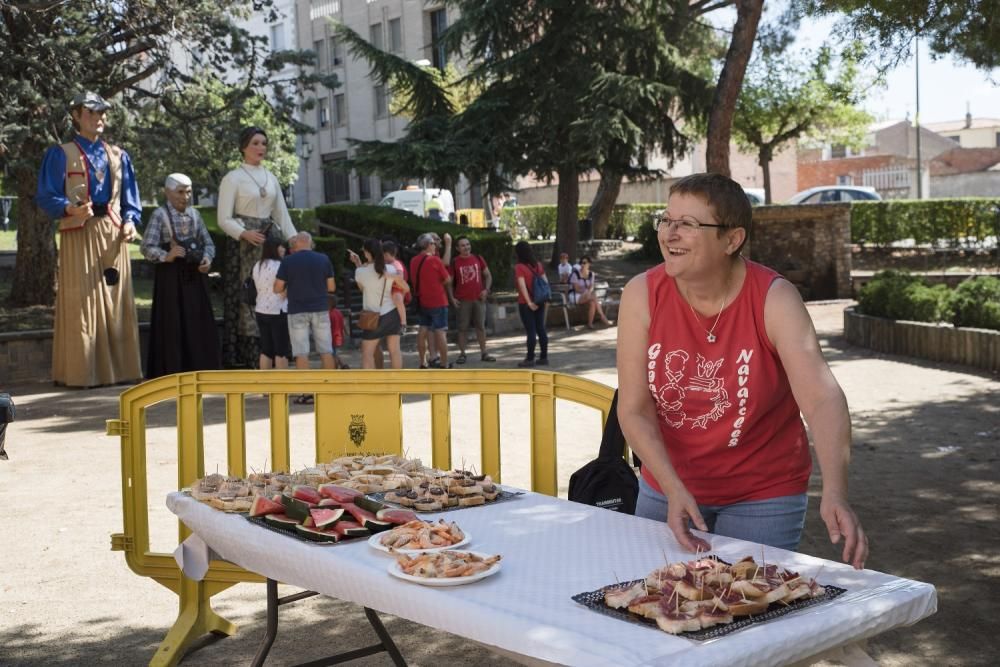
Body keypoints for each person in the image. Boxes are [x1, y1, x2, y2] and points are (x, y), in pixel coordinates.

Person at [616, 173, 867, 569]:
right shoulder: (641, 294)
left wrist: (835, 490)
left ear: (732, 240)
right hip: (666, 486)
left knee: (744, 610)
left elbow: (821, 398)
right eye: (666, 220)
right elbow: (633, 409)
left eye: (688, 224)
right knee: (654, 600)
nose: (669, 233)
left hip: (763, 494)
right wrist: (672, 487)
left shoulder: (774, 298)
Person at [35, 91, 142, 388]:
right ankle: (82, 373)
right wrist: (68, 208)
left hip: (113, 231)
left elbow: (131, 196)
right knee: (81, 302)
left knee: (115, 300)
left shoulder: (119, 156)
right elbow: (46, 194)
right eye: (92, 113)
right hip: (78, 231)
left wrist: (131, 221)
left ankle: (121, 371)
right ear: (76, 116)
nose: (99, 118)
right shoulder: (60, 153)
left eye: (102, 113)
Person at [217, 126, 297, 369]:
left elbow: (281, 214)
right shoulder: (233, 178)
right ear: (243, 147)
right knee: (250, 292)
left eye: (264, 143)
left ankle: (279, 350)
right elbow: (223, 218)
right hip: (244, 244)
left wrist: (295, 240)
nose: (261, 148)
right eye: (255, 143)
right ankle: (252, 353)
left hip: (269, 242)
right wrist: (243, 233)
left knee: (277, 289)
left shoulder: (271, 177)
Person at [141, 173, 220, 378]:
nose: (185, 197)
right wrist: (166, 255)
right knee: (172, 322)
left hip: (195, 276)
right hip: (170, 277)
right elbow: (146, 246)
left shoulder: (195, 215)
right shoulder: (160, 215)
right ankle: (172, 370)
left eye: (188, 192)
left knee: (197, 321)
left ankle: (200, 368)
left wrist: (207, 259)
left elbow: (209, 243)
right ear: (168, 192)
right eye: (180, 192)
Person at [273, 232, 336, 390]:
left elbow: (277, 287)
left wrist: (290, 287)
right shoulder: (323, 259)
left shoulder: (288, 261)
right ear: (310, 242)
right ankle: (330, 387)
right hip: (320, 308)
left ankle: (306, 391)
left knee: (301, 352)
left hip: (297, 310)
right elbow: (331, 287)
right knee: (326, 349)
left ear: (296, 243)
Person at [348, 239, 410, 369]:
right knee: (395, 351)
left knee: (367, 353)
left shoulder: (360, 272)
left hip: (373, 316)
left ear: (366, 253)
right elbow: (406, 288)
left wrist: (358, 264)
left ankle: (372, 387)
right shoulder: (390, 268)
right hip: (392, 313)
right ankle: (397, 386)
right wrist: (391, 277)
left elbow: (362, 289)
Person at [410, 232, 453, 368]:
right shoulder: (434, 260)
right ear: (429, 245)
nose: (435, 245)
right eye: (434, 243)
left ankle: (423, 361)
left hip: (422, 301)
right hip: (438, 301)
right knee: (440, 332)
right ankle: (444, 364)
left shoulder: (413, 261)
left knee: (423, 330)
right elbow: (447, 279)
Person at [450, 236, 496, 364]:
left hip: (479, 298)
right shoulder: (455, 262)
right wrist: (451, 297)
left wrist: (486, 290)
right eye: (463, 245)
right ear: (457, 248)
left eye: (468, 244)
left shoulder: (478, 258)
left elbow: (488, 275)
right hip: (463, 299)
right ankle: (462, 354)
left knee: (480, 326)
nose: (466, 247)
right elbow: (449, 282)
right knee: (462, 328)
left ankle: (484, 353)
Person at [252, 238, 291, 370]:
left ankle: (266, 387)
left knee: (266, 350)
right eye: (281, 247)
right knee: (281, 351)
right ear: (275, 248)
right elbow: (283, 292)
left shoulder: (257, 265)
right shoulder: (281, 265)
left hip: (260, 309)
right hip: (278, 310)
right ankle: (282, 387)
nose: (284, 249)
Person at [514, 241, 549, 368]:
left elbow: (522, 286)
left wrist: (529, 302)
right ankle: (544, 357)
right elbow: (545, 282)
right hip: (540, 301)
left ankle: (529, 358)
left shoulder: (519, 267)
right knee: (541, 328)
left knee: (531, 331)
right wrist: (542, 299)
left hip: (525, 303)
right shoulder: (538, 265)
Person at [569, 256, 612, 329]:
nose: (582, 265)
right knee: (593, 295)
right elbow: (576, 289)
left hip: (587, 295)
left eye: (584, 263)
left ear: (589, 264)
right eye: (581, 263)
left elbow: (591, 287)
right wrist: (586, 291)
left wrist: (588, 292)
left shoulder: (591, 274)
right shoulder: (575, 274)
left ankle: (590, 324)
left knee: (592, 302)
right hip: (575, 295)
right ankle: (602, 316)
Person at [327, 294, 347, 369]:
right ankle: (342, 365)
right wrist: (345, 332)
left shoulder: (329, 314)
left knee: (332, 354)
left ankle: (336, 366)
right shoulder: (338, 312)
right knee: (334, 352)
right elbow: (343, 323)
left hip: (332, 337)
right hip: (339, 336)